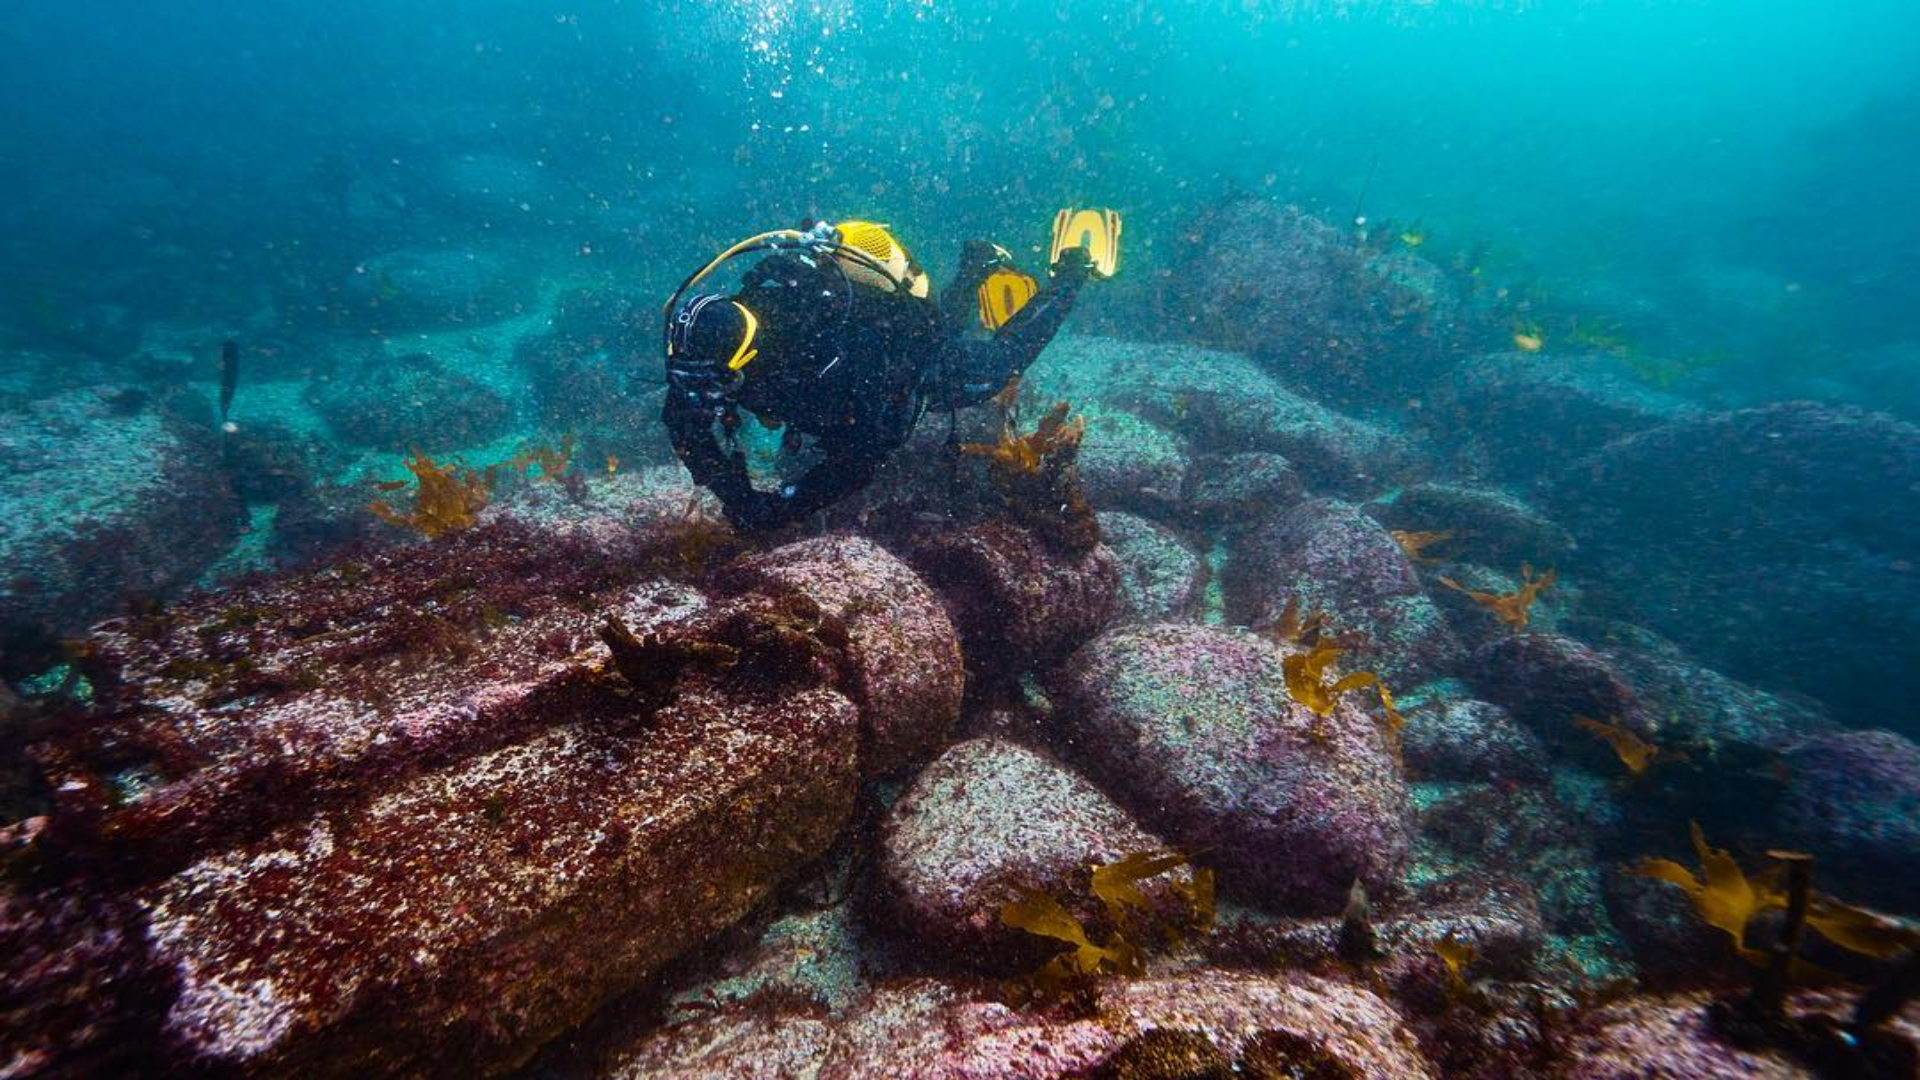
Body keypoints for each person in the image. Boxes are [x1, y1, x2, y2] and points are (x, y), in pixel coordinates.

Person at [661, 216, 1111, 531]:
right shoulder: (711, 347)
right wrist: (737, 496)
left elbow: (865, 455)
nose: (706, 391)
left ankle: (1072, 273)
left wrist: (779, 509)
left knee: (998, 363)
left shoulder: (843, 357)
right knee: (942, 330)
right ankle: (974, 268)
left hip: (902, 360)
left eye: (715, 381)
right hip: (876, 347)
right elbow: (682, 420)